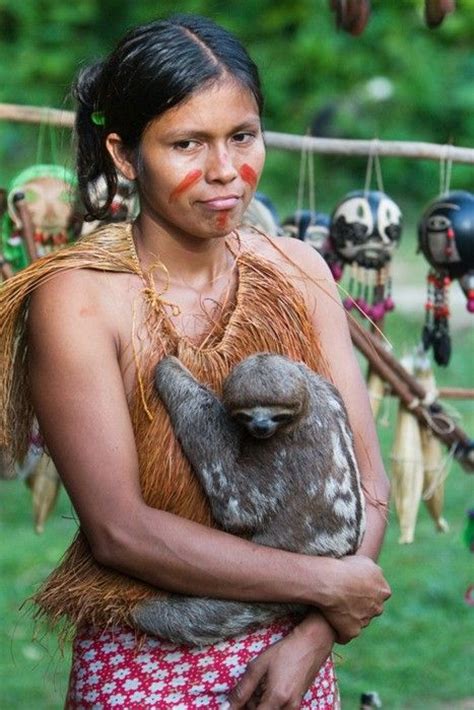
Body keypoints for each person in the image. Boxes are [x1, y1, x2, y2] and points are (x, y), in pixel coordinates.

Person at [0, 14, 391, 709]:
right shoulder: (80, 299)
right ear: (124, 155)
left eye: (242, 136)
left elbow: (369, 485)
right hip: (147, 670)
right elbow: (120, 532)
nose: (224, 172)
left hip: (296, 660)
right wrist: (328, 587)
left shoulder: (300, 270)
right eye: (187, 143)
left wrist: (312, 639)